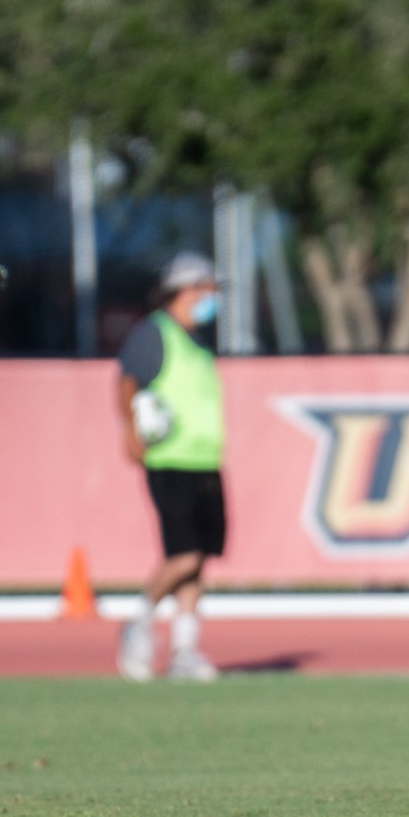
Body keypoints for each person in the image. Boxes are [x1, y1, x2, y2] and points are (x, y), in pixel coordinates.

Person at [116, 252, 227, 684]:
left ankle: (185, 649)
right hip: (171, 459)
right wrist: (129, 429)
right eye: (208, 289)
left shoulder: (197, 340)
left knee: (199, 563)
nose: (213, 298)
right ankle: (138, 621)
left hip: (204, 460)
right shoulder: (155, 334)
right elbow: (127, 382)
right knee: (183, 556)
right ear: (186, 289)